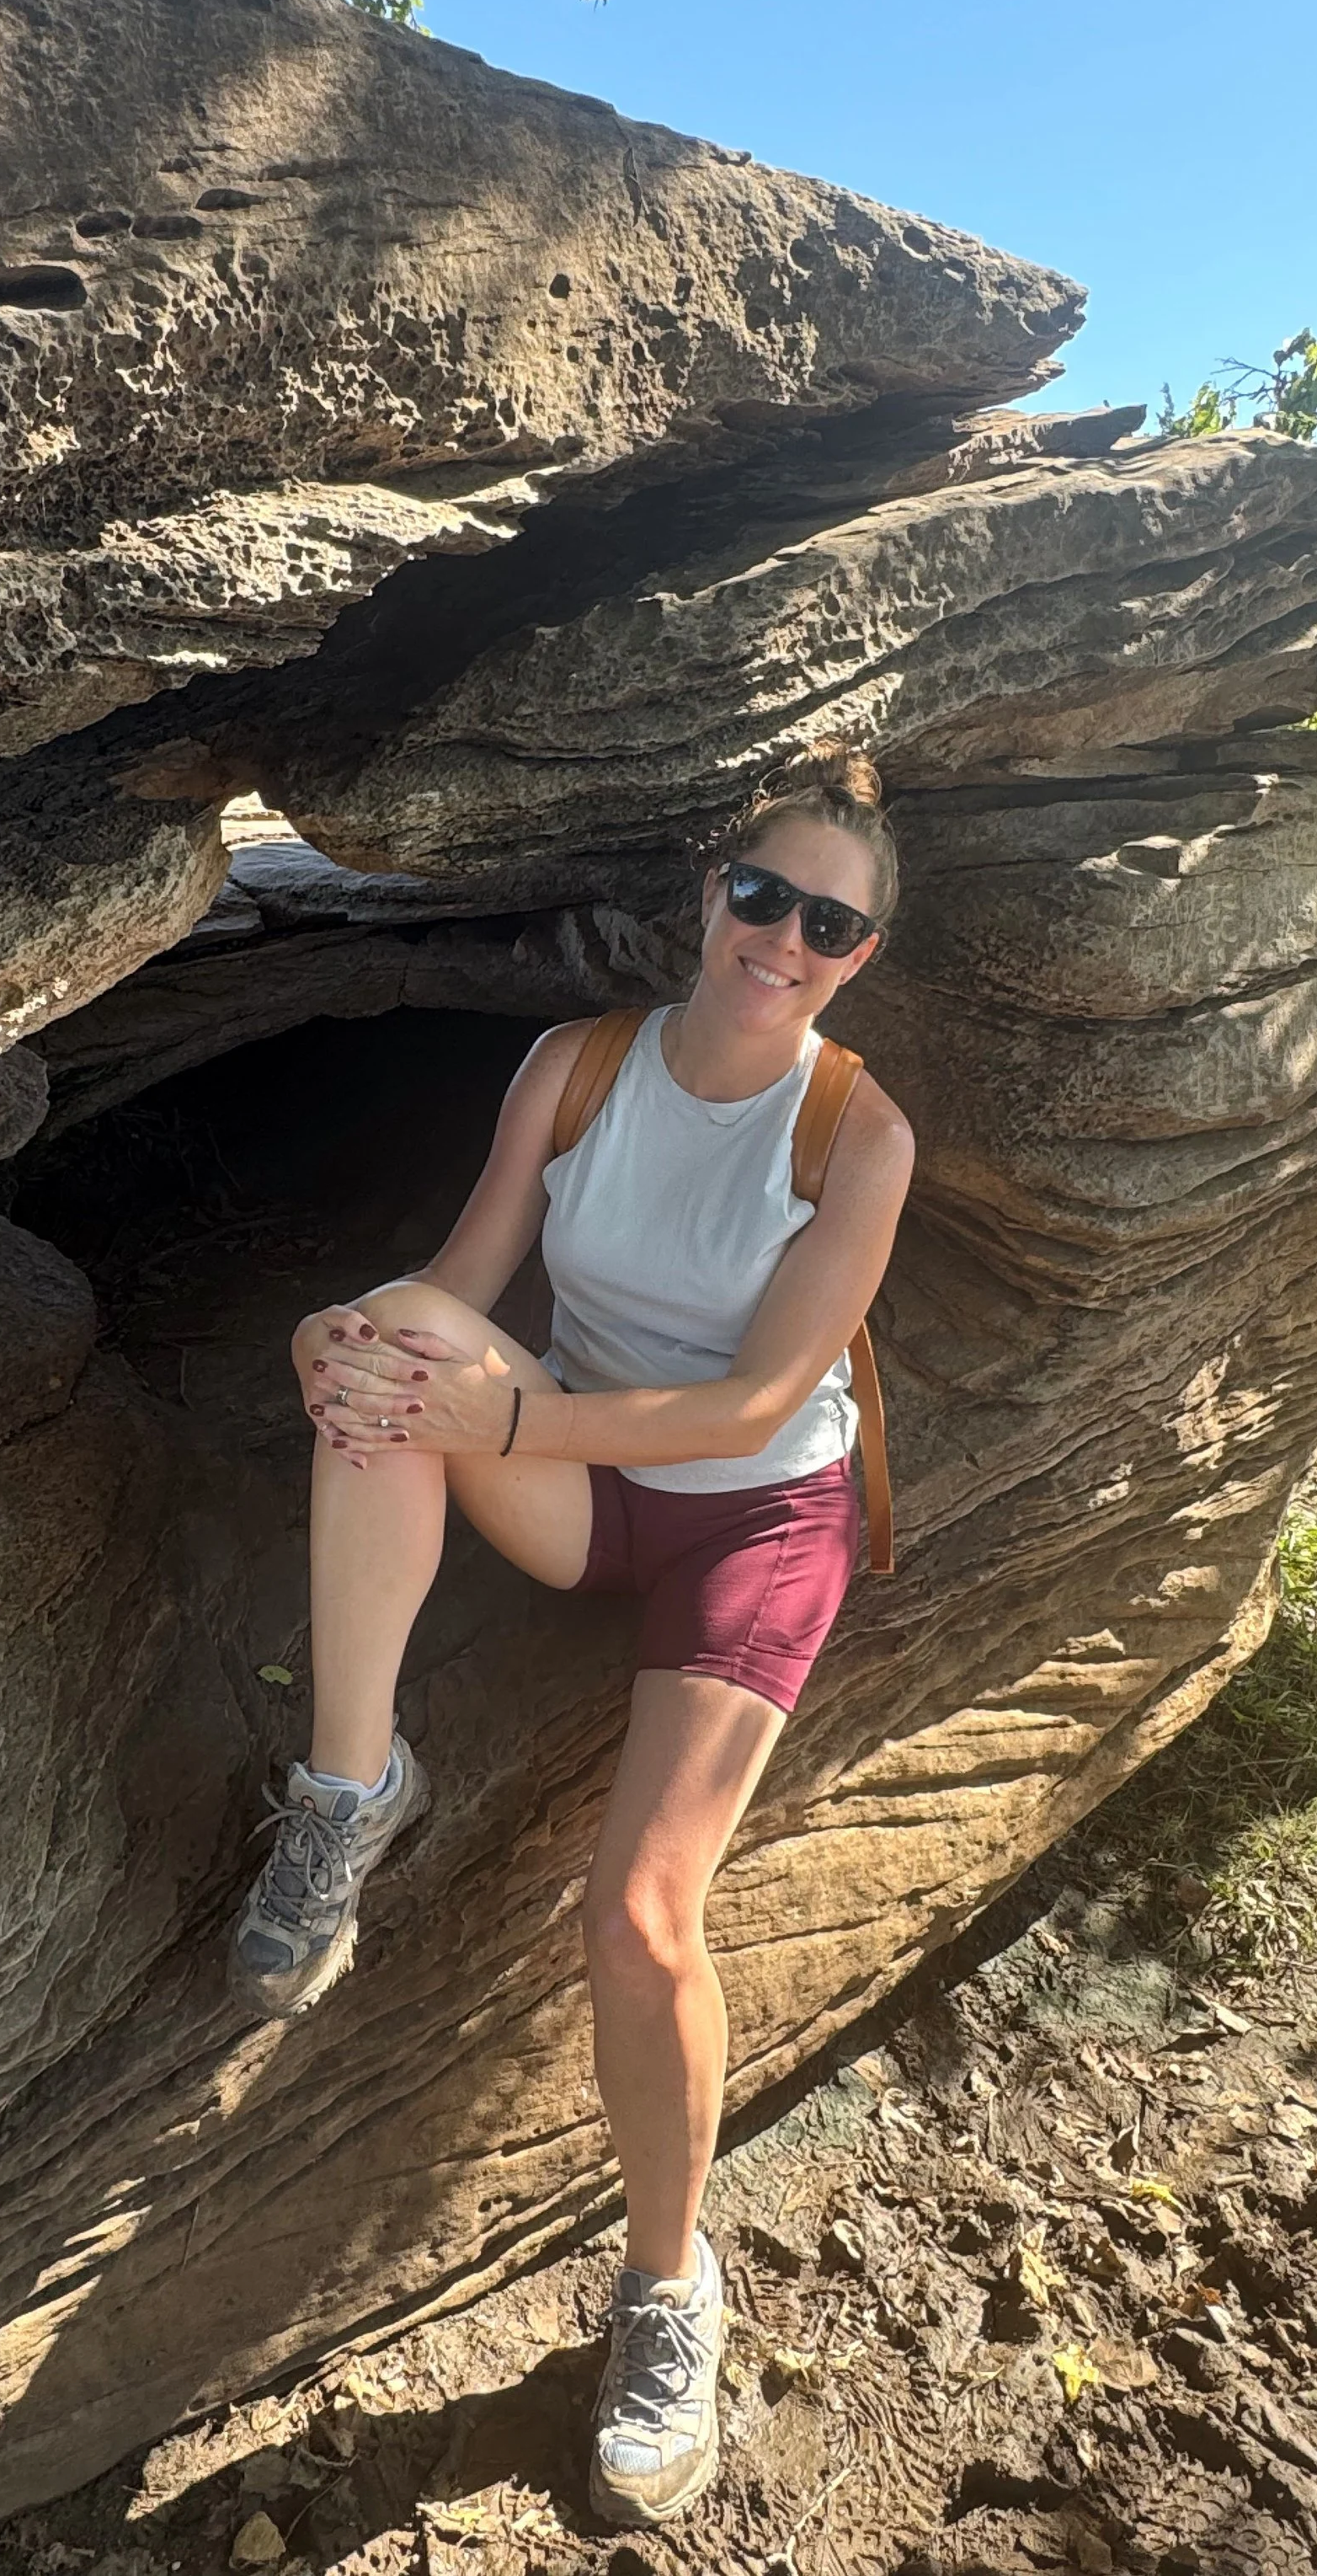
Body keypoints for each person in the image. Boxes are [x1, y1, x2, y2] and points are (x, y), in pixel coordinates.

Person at [226, 746, 914, 2527]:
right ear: (708, 895)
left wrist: (507, 1429)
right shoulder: (578, 1064)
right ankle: (349, 1786)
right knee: (383, 1352)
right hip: (588, 1475)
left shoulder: (856, 1132)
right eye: (759, 894)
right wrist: (342, 1332)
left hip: (753, 1516)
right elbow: (456, 1289)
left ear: (855, 959)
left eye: (824, 922)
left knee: (636, 1910)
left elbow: (762, 1395)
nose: (779, 937)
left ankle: (668, 2284)